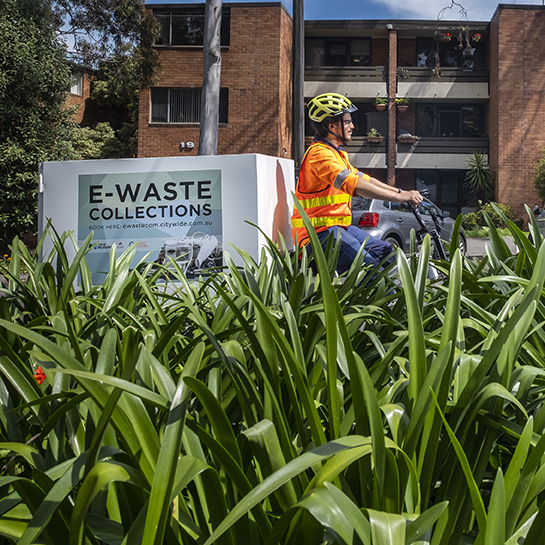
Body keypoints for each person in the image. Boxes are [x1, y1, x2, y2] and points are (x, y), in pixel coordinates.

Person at [291, 92, 423, 275]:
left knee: (388, 253)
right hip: (316, 235)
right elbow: (353, 184)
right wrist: (398, 197)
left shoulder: (337, 154)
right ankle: (377, 302)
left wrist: (402, 192)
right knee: (369, 268)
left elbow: (364, 179)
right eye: (347, 122)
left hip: (338, 228)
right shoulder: (319, 155)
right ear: (331, 126)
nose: (352, 126)